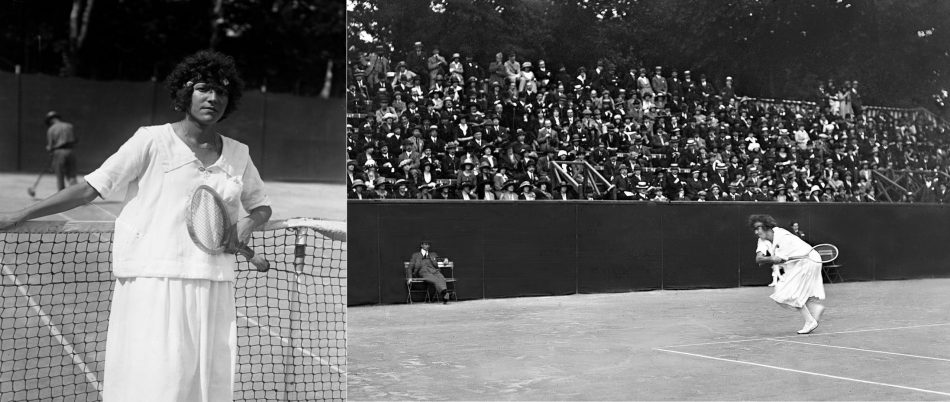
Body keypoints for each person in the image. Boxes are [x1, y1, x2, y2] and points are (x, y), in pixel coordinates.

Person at [2, 50, 272, 400]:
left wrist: (247, 224)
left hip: (213, 284)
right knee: (155, 384)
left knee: (206, 387)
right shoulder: (150, 140)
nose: (213, 97)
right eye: (204, 88)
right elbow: (88, 189)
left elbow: (261, 206)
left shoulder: (239, 153)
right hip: (153, 280)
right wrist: (19, 215)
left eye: (222, 91)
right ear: (184, 94)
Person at [749, 214, 826, 334]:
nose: (756, 232)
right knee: (782, 290)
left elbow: (780, 259)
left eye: (758, 228)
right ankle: (813, 310)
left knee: (791, 291)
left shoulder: (783, 236)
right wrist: (771, 259)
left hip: (808, 260)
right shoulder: (762, 239)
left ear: (766, 226)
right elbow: (759, 259)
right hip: (796, 263)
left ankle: (810, 319)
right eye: (755, 229)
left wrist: (774, 259)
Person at [44, 111, 79, 190]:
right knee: (72, 176)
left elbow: (50, 146)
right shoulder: (69, 126)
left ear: (51, 120)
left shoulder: (51, 129)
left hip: (59, 152)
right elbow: (75, 139)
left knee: (60, 176)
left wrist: (49, 149)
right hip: (70, 151)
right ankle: (76, 196)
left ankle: (62, 197)